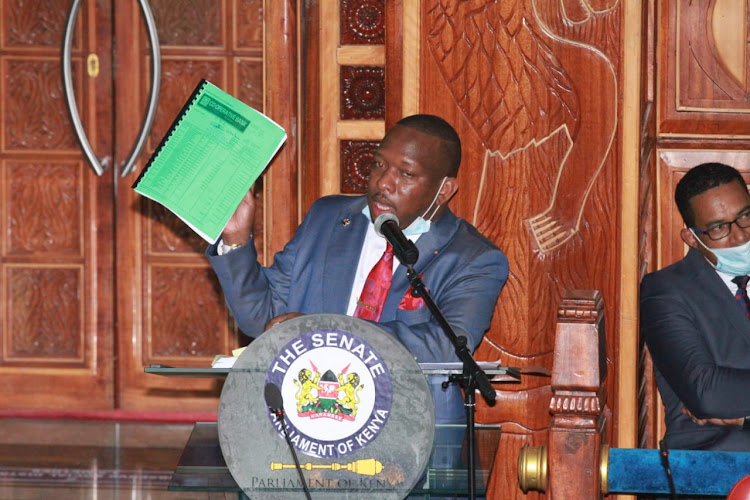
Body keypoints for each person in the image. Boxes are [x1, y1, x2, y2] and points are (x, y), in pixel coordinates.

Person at [206, 114, 509, 440]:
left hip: (408, 437)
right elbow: (262, 319)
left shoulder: (473, 259)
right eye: (379, 165)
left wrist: (326, 332)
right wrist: (236, 239)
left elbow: (446, 347)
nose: (383, 183)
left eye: (406, 174)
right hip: (309, 426)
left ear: (443, 189)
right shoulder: (327, 218)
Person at [641, 162, 750, 452]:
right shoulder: (665, 291)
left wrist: (742, 418)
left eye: (745, 217)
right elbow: (707, 394)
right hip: (715, 473)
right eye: (719, 228)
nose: (740, 236)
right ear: (691, 237)